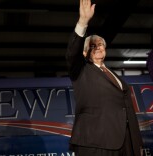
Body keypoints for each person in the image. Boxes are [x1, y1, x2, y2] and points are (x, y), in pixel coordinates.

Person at [65, 0, 143, 155]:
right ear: (84, 53)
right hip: (97, 143)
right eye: (93, 46)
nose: (98, 46)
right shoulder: (81, 70)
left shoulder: (114, 75)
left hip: (125, 143)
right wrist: (83, 22)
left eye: (100, 44)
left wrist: (136, 144)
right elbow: (72, 53)